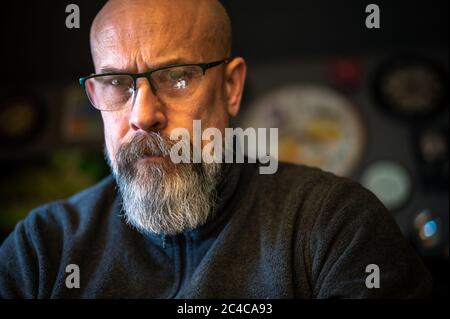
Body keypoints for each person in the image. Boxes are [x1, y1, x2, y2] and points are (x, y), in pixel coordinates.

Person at [0, 0, 432, 298]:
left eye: (177, 77)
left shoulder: (334, 222)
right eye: (116, 83)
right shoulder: (43, 249)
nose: (142, 115)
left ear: (231, 87)